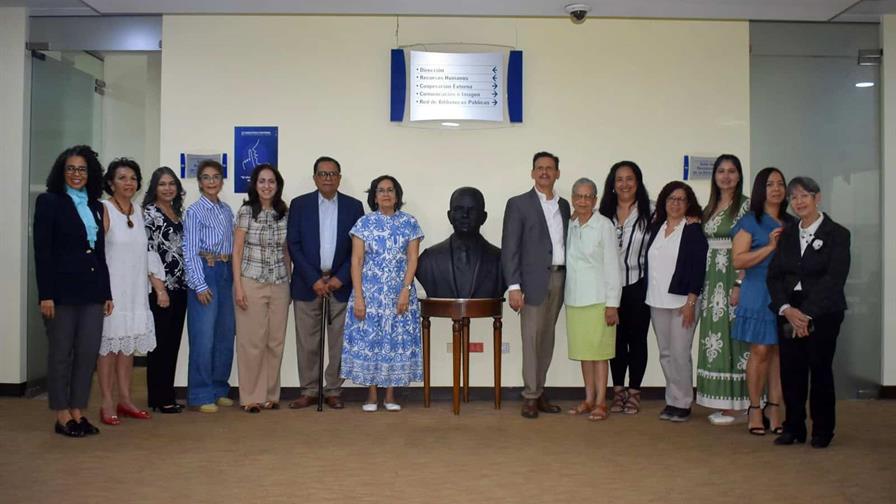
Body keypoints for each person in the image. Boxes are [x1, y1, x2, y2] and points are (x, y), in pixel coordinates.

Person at [34, 145, 113, 437]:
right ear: (61, 172)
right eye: (71, 169)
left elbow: (99, 254)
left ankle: (79, 411)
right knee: (61, 355)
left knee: (86, 354)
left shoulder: (96, 206)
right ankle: (62, 414)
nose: (76, 174)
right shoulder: (50, 202)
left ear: (90, 173)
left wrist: (106, 292)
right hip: (61, 293)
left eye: (82, 169)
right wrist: (46, 294)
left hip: (92, 292)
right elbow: (42, 253)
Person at [767, 176, 850, 449]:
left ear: (818, 198)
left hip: (823, 311)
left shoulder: (838, 233)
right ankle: (794, 427)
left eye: (804, 195)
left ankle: (823, 430)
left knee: (820, 368)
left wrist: (807, 315)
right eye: (794, 197)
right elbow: (775, 276)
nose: (799, 201)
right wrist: (787, 309)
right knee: (791, 370)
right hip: (789, 308)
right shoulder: (788, 232)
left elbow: (834, 279)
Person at [341, 175, 424, 412]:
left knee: (394, 342)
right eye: (380, 190)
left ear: (397, 195)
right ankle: (371, 394)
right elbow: (356, 261)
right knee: (372, 342)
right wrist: (359, 296)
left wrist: (406, 290)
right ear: (374, 196)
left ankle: (390, 395)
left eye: (390, 190)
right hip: (370, 293)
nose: (386, 194)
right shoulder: (364, 224)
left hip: (399, 293)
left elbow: (412, 259)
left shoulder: (410, 223)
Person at [286, 156, 364, 410]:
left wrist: (341, 277)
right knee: (307, 342)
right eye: (323, 174)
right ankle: (309, 390)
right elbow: (293, 244)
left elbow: (358, 248)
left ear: (339, 177)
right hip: (308, 283)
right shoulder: (299, 205)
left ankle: (333, 390)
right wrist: (314, 279)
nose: (328, 178)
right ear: (315, 178)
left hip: (341, 284)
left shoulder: (354, 206)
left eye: (332, 174)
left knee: (339, 341)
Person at [501, 151, 571, 419]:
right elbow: (510, 248)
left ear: (557, 174)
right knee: (531, 339)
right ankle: (530, 396)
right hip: (530, 282)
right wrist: (514, 286)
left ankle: (539, 391)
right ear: (532, 173)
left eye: (550, 168)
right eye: (539, 168)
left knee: (547, 339)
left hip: (560, 278)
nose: (544, 172)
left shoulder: (564, 206)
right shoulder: (518, 204)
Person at [97, 158, 162, 426]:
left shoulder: (138, 210)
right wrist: (102, 292)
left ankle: (125, 399)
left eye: (133, 178)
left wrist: (156, 283)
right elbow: (97, 255)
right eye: (122, 178)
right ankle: (107, 402)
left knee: (128, 348)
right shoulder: (103, 209)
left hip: (135, 289)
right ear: (111, 182)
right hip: (111, 291)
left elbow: (145, 251)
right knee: (108, 349)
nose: (128, 182)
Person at [731, 167, 791, 435]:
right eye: (770, 184)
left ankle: (774, 406)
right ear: (760, 189)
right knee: (761, 351)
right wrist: (768, 247)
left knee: (779, 352)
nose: (776, 188)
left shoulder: (792, 221)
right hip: (757, 289)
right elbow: (738, 260)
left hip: (787, 292)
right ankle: (754, 408)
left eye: (780, 183)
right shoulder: (750, 221)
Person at [696, 154, 751, 425]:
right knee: (715, 337)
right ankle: (723, 401)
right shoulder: (712, 206)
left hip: (733, 277)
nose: (726, 176)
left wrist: (740, 283)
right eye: (721, 171)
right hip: (712, 280)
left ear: (739, 176)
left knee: (736, 338)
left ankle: (740, 404)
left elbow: (751, 248)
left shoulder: (746, 207)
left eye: (731, 171)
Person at [645, 181, 708, 422]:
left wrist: (692, 301)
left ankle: (683, 402)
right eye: (671, 198)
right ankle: (672, 399)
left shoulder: (692, 229)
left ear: (688, 203)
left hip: (684, 301)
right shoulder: (656, 227)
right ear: (664, 201)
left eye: (681, 199)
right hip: (657, 299)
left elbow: (698, 267)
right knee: (666, 353)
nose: (675, 203)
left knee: (681, 352)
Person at [233, 164, 291, 413]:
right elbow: (236, 251)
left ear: (277, 186)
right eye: (262, 181)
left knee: (275, 341)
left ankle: (270, 394)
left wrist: (290, 278)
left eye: (271, 182)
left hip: (279, 283)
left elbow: (287, 250)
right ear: (255, 185)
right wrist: (238, 286)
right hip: (251, 281)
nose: (267, 186)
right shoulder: (246, 211)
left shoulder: (284, 213)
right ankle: (250, 397)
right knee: (251, 341)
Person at [598, 161, 653, 416]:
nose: (624, 184)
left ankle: (634, 392)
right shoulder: (603, 214)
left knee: (638, 340)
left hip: (639, 285)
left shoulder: (652, 212)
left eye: (629, 178)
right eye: (619, 179)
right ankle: (618, 391)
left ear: (638, 182)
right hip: (610, 288)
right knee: (616, 342)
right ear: (613, 184)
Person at [565, 178, 621, 421]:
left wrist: (612, 305)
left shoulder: (604, 226)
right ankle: (588, 399)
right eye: (579, 196)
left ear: (595, 200)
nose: (583, 201)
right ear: (572, 198)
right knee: (584, 352)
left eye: (588, 197)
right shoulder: (571, 225)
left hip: (599, 300)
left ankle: (600, 402)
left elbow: (613, 267)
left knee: (600, 354)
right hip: (575, 299)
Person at [183, 159, 236, 413]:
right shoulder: (194, 211)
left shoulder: (227, 210)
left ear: (222, 180)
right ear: (199, 182)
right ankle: (199, 393)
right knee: (203, 336)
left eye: (216, 177)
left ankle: (218, 388)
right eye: (206, 177)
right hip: (206, 272)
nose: (212, 181)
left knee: (225, 335)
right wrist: (199, 284)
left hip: (226, 273)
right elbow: (189, 251)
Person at [143, 166, 188, 414]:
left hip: (181, 287)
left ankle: (165, 394)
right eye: (162, 184)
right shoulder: (149, 213)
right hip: (162, 289)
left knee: (172, 343)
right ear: (154, 188)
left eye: (172, 184)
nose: (168, 188)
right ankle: (160, 397)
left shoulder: (177, 212)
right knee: (159, 345)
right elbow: (148, 253)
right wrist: (159, 289)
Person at [416, 186, 504, 299]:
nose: (465, 215)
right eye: (458, 209)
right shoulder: (428, 260)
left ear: (484, 217)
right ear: (449, 216)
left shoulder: (501, 261)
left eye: (472, 210)